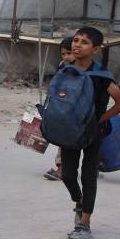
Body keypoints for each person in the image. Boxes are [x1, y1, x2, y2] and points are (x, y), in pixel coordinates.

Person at [59, 27, 120, 239]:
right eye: (76, 40)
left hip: (93, 133)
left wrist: (99, 120)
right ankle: (79, 201)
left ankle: (84, 224)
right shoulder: (65, 70)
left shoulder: (101, 76)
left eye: (84, 42)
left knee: (88, 175)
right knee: (67, 174)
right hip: (70, 131)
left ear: (95, 49)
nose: (77, 45)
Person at [43, 36, 76, 181]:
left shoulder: (81, 68)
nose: (66, 57)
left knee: (67, 141)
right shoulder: (63, 65)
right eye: (63, 54)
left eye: (69, 53)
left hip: (75, 110)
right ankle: (62, 167)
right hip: (62, 107)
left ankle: (62, 169)